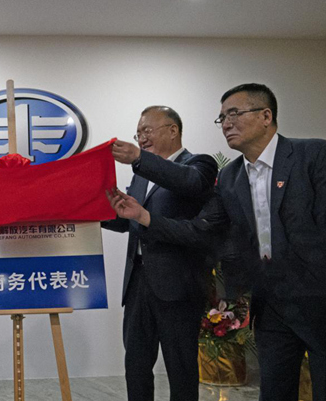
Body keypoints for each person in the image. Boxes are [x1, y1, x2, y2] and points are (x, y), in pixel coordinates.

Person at [109, 83, 326, 401]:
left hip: (316, 297)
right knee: (275, 389)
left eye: (234, 114)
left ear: (266, 116)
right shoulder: (231, 176)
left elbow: (191, 189)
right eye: (222, 117)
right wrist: (128, 216)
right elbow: (211, 232)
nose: (226, 123)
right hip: (269, 301)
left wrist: (140, 159)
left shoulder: (312, 155)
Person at [101, 106, 217, 401]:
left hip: (178, 286)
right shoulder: (141, 174)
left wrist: (140, 159)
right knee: (136, 363)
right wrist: (98, 212)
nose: (141, 137)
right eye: (138, 133)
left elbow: (186, 182)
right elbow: (130, 221)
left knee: (181, 367)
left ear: (173, 130)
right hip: (138, 282)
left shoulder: (199, 165)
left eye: (147, 130)